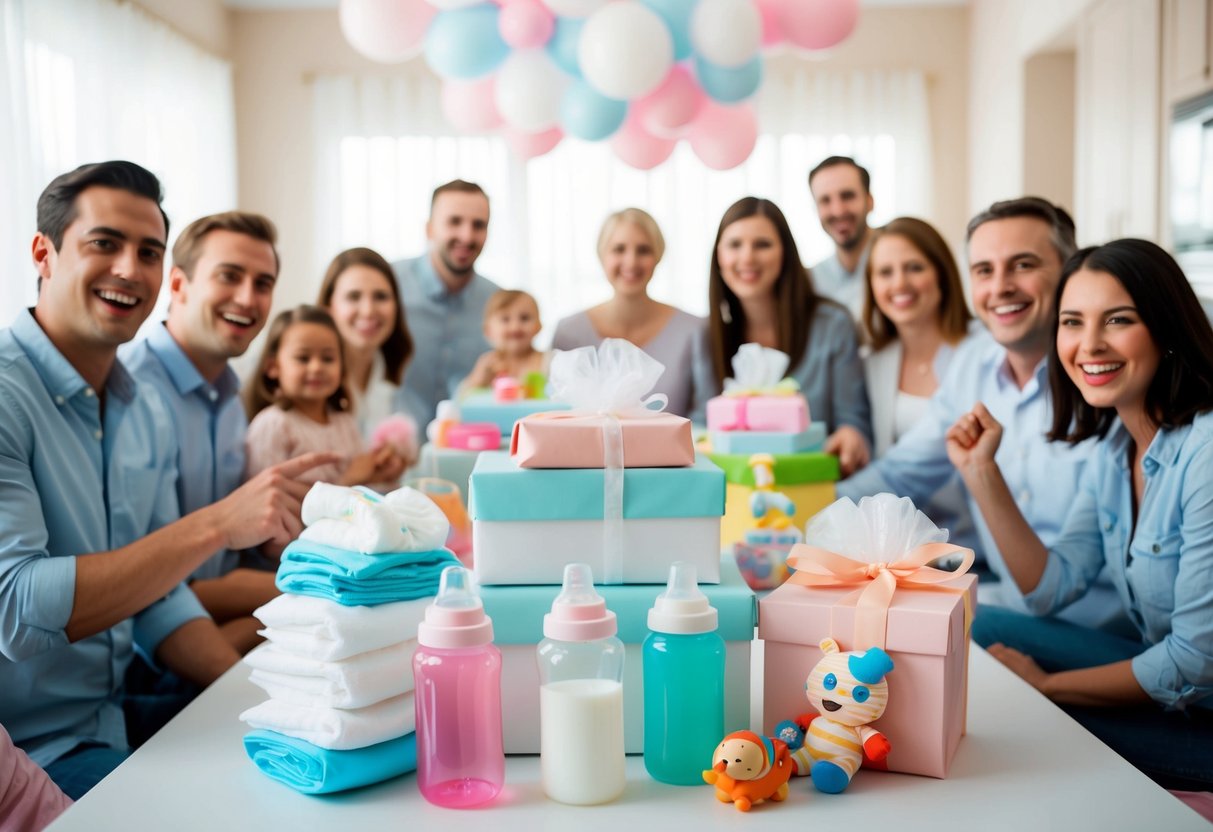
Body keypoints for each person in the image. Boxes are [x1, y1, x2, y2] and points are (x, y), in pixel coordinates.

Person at [0, 161, 333, 799]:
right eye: (104, 244)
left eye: (147, 251)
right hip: (28, 754)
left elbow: (158, 596)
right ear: (43, 253)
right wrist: (215, 524)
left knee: (313, 776)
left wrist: (251, 695)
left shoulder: (138, 406)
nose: (130, 268)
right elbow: (16, 610)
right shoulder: (10, 394)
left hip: (110, 720)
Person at [953, 239, 1213, 790]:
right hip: (1173, 682)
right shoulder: (1118, 445)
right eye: (1072, 322)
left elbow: (1194, 662)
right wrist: (982, 472)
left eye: (1117, 320)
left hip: (1204, 714)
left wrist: (1048, 687)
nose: (1088, 344)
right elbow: (1049, 589)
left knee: (1016, 721)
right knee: (976, 624)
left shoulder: (1206, 452)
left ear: (1166, 328)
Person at [837, 197, 1126, 633]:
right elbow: (901, 473)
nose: (1001, 286)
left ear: (1070, 272)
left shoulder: (1106, 379)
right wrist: (803, 517)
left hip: (1099, 626)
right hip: (1011, 603)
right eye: (985, 271)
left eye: (1023, 265)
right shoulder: (973, 364)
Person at [121, 211, 282, 656]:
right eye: (229, 276)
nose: (248, 298)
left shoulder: (231, 396)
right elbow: (143, 589)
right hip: (153, 658)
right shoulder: (128, 394)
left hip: (227, 621)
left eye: (263, 283)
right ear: (177, 285)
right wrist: (307, 590)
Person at [694, 196, 871, 474]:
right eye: (734, 245)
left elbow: (853, 421)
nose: (747, 257)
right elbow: (701, 423)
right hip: (733, 498)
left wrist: (851, 437)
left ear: (785, 254)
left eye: (762, 244)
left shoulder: (833, 325)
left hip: (816, 490)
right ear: (719, 255)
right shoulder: (706, 335)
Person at [860, 217, 977, 549]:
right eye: (885, 272)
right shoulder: (871, 362)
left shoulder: (979, 351)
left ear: (941, 273)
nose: (900, 283)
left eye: (914, 267)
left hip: (976, 546)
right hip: (899, 549)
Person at [552, 208, 704, 417]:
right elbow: (554, 413)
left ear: (658, 256)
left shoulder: (693, 330)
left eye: (643, 250)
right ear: (602, 255)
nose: (631, 262)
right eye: (619, 249)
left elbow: (705, 418)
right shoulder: (567, 331)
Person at [244, 305, 406, 489]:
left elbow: (361, 490)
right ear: (273, 367)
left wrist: (378, 472)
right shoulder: (272, 426)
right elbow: (265, 503)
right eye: (303, 358)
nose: (317, 367)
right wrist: (346, 481)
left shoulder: (345, 423)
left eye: (328, 359)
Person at [391, 180, 499, 428]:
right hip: (391, 455)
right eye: (454, 222)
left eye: (478, 225)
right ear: (429, 229)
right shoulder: (387, 288)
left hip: (469, 454)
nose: (467, 236)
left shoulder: (499, 304)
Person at [317, 246, 414, 441]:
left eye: (381, 296)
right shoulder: (312, 377)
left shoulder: (389, 369)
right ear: (329, 308)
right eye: (353, 297)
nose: (368, 311)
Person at [808, 156, 875, 319]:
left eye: (847, 196)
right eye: (825, 200)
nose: (838, 211)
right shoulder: (809, 281)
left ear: (869, 201)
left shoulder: (900, 265)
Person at [458, 289, 548, 394]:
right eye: (505, 319)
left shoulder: (548, 362)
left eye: (524, 318)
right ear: (488, 330)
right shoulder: (487, 365)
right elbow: (461, 400)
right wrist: (478, 380)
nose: (515, 327)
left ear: (538, 327)